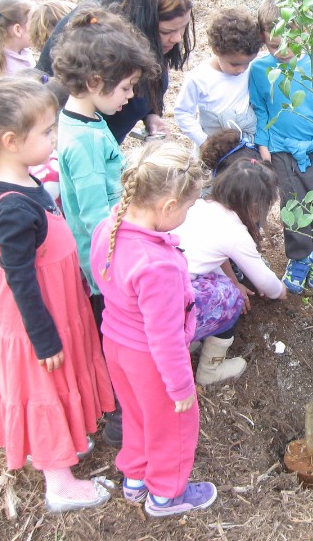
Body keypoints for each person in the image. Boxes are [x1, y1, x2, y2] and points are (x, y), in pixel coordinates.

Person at [0, 77, 116, 512]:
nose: (55, 138)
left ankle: (63, 442)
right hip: (36, 315)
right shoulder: (10, 206)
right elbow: (18, 277)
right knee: (44, 380)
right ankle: (58, 482)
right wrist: (43, 337)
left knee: (58, 379)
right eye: (46, 132)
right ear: (11, 140)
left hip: (55, 300)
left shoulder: (20, 177)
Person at [90, 141, 218, 517]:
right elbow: (163, 336)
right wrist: (180, 386)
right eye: (188, 207)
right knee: (173, 425)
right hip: (150, 358)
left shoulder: (110, 226)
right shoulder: (156, 264)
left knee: (137, 414)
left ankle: (136, 478)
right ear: (167, 207)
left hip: (116, 345)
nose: (188, 214)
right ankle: (166, 494)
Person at [53, 6, 159, 322]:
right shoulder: (87, 140)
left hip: (105, 260)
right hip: (106, 270)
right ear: (97, 82)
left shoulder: (80, 122)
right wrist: (126, 261)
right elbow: (97, 218)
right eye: (126, 87)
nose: (129, 97)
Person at [37, 0, 195, 144]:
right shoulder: (99, 37)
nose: (177, 38)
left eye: (183, 28)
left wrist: (150, 114)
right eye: (167, 31)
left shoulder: (143, 39)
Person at [249, 0, 313, 295]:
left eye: (288, 43)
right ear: (263, 39)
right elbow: (261, 108)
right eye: (273, 46)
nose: (281, 52)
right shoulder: (260, 71)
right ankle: (299, 258)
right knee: (292, 205)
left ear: (304, 32)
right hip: (280, 150)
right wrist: (263, 144)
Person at [175, 152, 287, 386]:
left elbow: (214, 256)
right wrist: (280, 291)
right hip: (175, 304)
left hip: (168, 292)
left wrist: (234, 280)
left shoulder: (202, 206)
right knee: (231, 298)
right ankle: (210, 369)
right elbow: (264, 280)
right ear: (255, 206)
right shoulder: (235, 233)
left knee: (228, 285)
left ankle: (189, 337)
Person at [175, 7, 263, 148]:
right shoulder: (199, 78)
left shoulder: (252, 68)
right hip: (214, 144)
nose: (242, 69)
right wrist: (203, 142)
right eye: (234, 64)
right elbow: (183, 112)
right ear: (216, 50)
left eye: (247, 63)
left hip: (245, 142)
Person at [0, 0, 36, 80]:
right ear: (17, 30)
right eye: (34, 23)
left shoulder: (21, 51)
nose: (38, 28)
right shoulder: (10, 73)